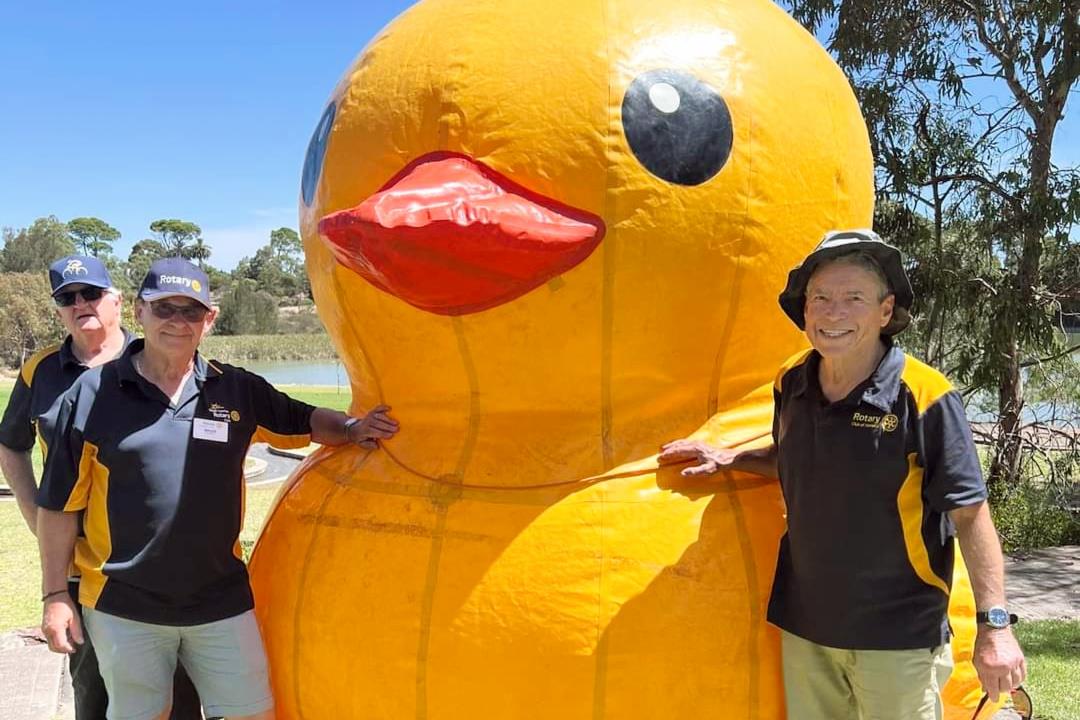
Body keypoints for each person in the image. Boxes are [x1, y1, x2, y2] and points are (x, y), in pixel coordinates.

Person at [659, 230, 1025, 720]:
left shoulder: (925, 395)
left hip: (897, 635)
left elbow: (971, 514)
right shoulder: (791, 380)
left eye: (853, 298)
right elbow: (798, 455)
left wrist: (995, 627)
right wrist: (729, 457)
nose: (833, 313)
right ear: (804, 310)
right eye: (820, 298)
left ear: (884, 310)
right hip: (807, 627)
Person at [35, 258, 400, 720]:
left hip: (221, 603)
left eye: (191, 310)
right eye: (165, 308)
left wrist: (352, 428)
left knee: (252, 713)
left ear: (209, 319)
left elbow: (304, 419)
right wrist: (55, 597)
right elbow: (57, 508)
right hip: (123, 604)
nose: (177, 321)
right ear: (140, 313)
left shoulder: (235, 390)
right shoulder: (90, 395)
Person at [0, 255, 204, 720]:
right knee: (93, 688)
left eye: (90, 293)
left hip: (158, 562)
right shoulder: (40, 371)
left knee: (175, 693)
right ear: (57, 310)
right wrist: (38, 519)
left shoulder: (157, 355)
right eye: (67, 298)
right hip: (81, 567)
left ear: (116, 301)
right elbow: (10, 445)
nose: (80, 305)